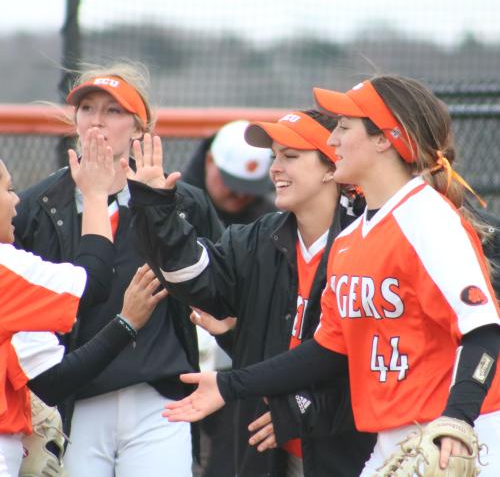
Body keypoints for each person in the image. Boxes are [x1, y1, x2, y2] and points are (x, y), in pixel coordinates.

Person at [163, 75, 500, 475]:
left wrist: (459, 421)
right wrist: (227, 385)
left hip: (455, 437)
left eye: (343, 127)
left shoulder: (427, 218)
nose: (334, 140)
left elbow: (483, 332)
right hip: (392, 437)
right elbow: (326, 351)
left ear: (384, 139)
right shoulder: (350, 240)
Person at [126, 109, 376, 476]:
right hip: (269, 451)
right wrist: (155, 208)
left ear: (330, 167)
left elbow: (372, 369)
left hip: (347, 454)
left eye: (290, 156)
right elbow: (190, 278)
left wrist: (301, 410)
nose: (274, 168)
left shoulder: (369, 242)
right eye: (274, 156)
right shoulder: (256, 238)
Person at [13, 62, 223, 477]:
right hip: (75, 400)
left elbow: (219, 288)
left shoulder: (183, 201)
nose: (97, 121)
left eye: (113, 111)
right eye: (88, 108)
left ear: (140, 127)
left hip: (157, 397)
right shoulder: (38, 206)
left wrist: (158, 210)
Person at [0, 135, 165, 475]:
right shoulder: (6, 270)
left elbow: (51, 381)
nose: (16, 201)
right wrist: (94, 195)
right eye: (8, 188)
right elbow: (93, 281)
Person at [184, 119, 276, 477]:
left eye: (247, 187)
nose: (239, 194)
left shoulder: (269, 219)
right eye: (230, 182)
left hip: (236, 362)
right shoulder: (174, 208)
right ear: (209, 162)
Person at [182, 119, 276, 226]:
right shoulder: (177, 212)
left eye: (251, 187)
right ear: (209, 161)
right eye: (233, 183)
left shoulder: (270, 221)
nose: (241, 195)